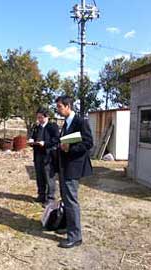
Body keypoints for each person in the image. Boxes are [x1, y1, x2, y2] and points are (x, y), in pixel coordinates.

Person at [56, 95, 93, 248]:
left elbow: (88, 143)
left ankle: (75, 237)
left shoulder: (80, 122)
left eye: (59, 106)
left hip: (73, 167)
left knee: (71, 201)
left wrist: (70, 148)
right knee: (66, 199)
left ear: (68, 106)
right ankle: (68, 226)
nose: (57, 109)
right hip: (64, 165)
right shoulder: (66, 123)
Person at [29, 107, 59, 206]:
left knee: (49, 176)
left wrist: (45, 143)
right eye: (38, 118)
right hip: (38, 154)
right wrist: (31, 141)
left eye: (41, 117)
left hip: (48, 155)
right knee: (39, 175)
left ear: (47, 117)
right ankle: (41, 195)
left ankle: (50, 198)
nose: (39, 120)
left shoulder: (52, 127)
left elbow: (56, 140)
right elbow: (33, 136)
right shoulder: (36, 127)